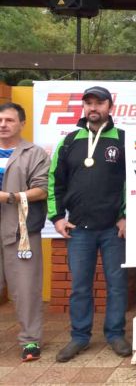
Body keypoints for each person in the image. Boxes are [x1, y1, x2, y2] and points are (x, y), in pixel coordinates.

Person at [48, 86, 130, 362]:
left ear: (110, 107)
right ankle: (80, 337)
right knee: (80, 286)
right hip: (79, 228)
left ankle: (115, 334)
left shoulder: (123, 139)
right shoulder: (69, 141)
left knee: (116, 285)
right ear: (83, 107)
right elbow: (54, 181)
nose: (93, 108)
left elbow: (134, 182)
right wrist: (57, 217)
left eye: (99, 103)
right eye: (89, 103)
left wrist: (125, 215)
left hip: (113, 229)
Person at [0, 103, 50, 362]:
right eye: (0, 120)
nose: (3, 124)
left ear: (22, 123)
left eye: (9, 120)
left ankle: (30, 340)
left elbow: (42, 189)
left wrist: (9, 197)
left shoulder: (34, 153)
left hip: (20, 230)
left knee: (26, 288)